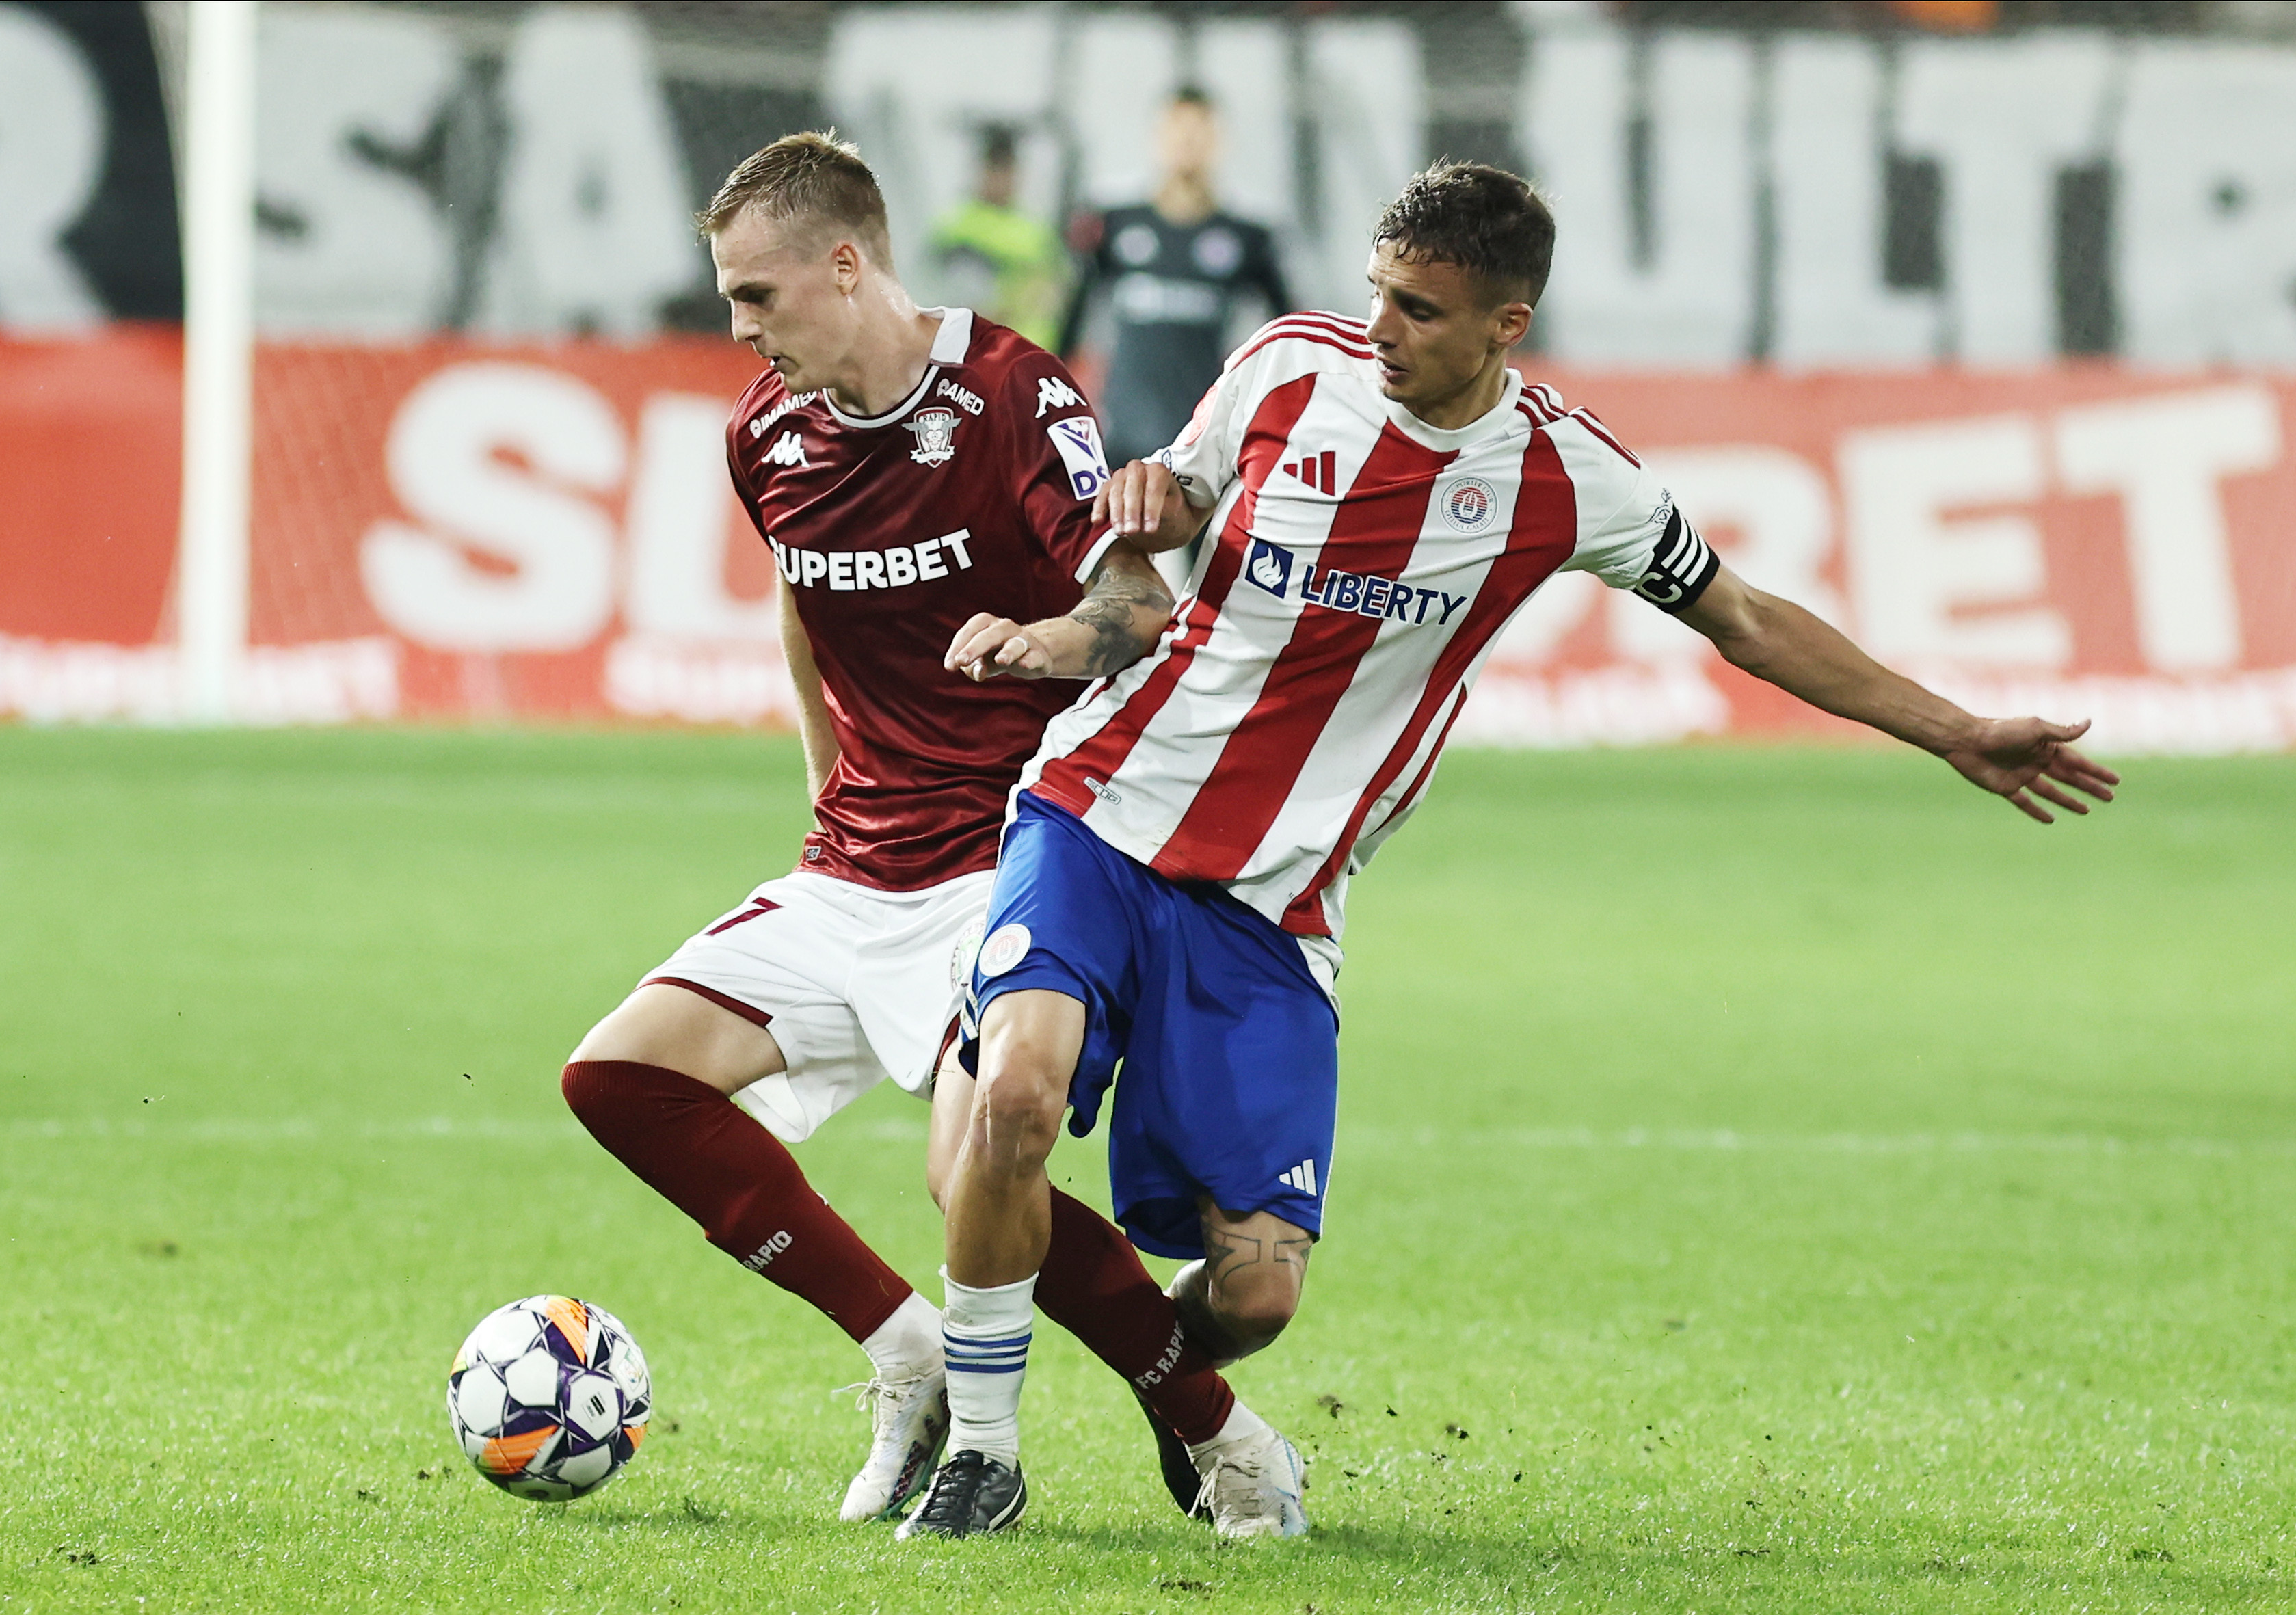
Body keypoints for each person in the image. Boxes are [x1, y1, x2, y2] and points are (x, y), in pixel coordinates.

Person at [919, 161, 2122, 1538]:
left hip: (1274, 905)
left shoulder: (1562, 474)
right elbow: (1156, 546)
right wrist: (1107, 568)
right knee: (1016, 1099)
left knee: (1254, 1290)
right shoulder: (1285, 366)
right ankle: (983, 1452)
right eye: (1376, 292)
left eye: (1419, 310)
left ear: (1507, 324)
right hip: (1097, 812)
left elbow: (1743, 617)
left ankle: (1182, 1398)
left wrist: (1951, 727)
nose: (1380, 328)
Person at [557, 132, 1263, 1534]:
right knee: (619, 1077)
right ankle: (905, 1349)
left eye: (755, 294)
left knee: (970, 1170)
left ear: (845, 265)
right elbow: (801, 596)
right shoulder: (766, 433)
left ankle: (1216, 1425)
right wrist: (824, 779)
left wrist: (1042, 640)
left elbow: (1138, 606)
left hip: (1011, 856)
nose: (739, 327)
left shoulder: (1010, 396)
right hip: (855, 864)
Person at [1060, 86, 1292, 470]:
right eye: (1177, 128)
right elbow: (1069, 322)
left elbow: (1289, 331)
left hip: (1204, 443)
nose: (1187, 140)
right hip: (1120, 439)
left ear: (1220, 141)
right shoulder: (1114, 224)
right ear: (1157, 137)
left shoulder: (1248, 238)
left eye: (1199, 130)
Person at [928, 124, 1067, 351]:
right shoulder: (959, 228)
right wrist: (1019, 301)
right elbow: (964, 302)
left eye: (1008, 170)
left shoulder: (1035, 230)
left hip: (1032, 354)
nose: (1003, 179)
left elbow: (1055, 290)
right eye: (995, 170)